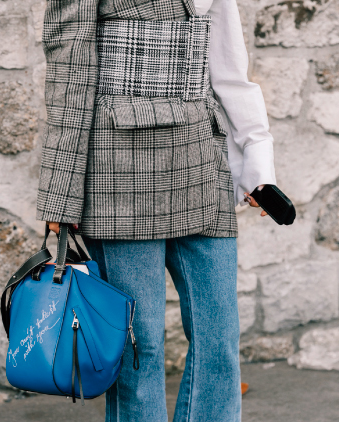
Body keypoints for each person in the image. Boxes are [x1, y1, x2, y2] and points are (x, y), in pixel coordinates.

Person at [37, 0, 276, 420]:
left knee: (219, 339)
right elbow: (70, 74)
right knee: (139, 348)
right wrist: (61, 193)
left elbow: (230, 70)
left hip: (202, 165)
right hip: (119, 171)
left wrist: (258, 166)